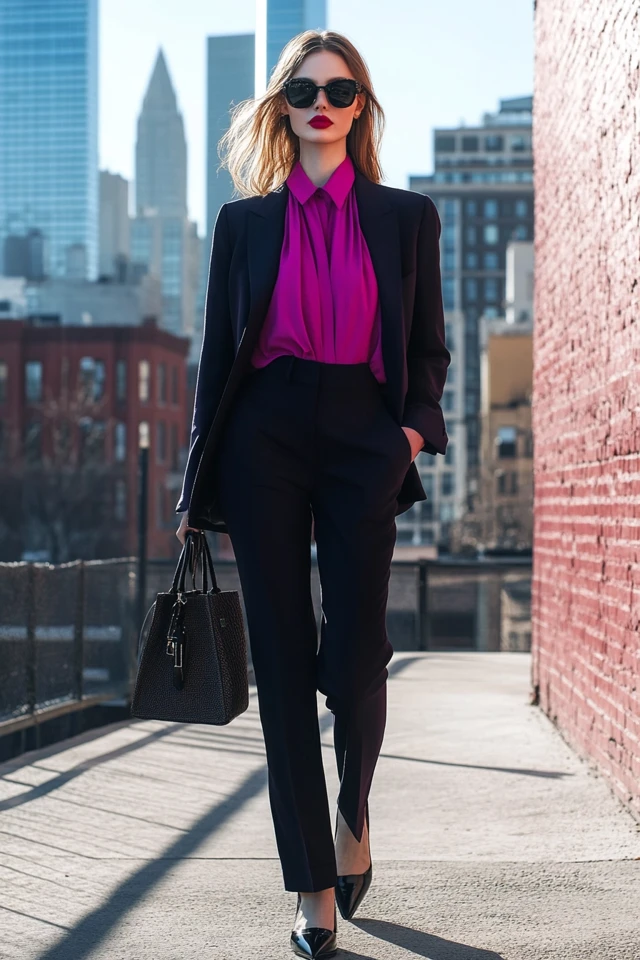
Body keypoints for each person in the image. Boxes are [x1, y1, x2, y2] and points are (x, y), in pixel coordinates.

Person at [176, 29, 450, 959]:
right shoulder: (242, 225)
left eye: (339, 89)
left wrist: (405, 435)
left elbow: (428, 355)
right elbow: (218, 362)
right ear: (282, 107)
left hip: (361, 437)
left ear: (360, 106)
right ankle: (312, 884)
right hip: (264, 438)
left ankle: (354, 812)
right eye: (302, 89)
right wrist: (193, 483)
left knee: (357, 657)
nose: (320, 102)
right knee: (284, 667)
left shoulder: (407, 218)